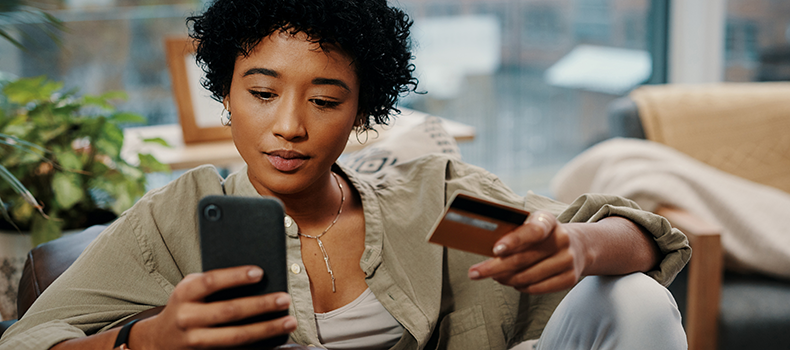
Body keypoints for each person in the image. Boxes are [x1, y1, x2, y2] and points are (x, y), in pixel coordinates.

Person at [0, 0, 690, 349]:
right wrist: (150, 340)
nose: (290, 126)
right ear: (226, 95)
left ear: (361, 111)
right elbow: (26, 342)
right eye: (262, 93)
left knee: (632, 299)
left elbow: (638, 237)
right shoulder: (179, 218)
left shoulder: (432, 206)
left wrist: (577, 248)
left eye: (325, 101)